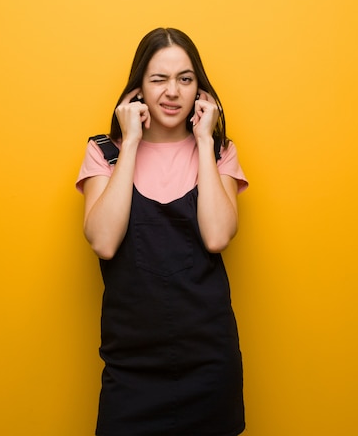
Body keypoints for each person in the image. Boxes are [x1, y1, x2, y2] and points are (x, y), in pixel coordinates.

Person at [76, 27, 248, 436]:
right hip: (131, 365)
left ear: (199, 91)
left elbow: (217, 236)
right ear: (137, 90)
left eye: (185, 79)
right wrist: (131, 142)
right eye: (159, 79)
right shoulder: (105, 152)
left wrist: (205, 142)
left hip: (209, 363)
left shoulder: (220, 151)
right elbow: (102, 241)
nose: (173, 92)